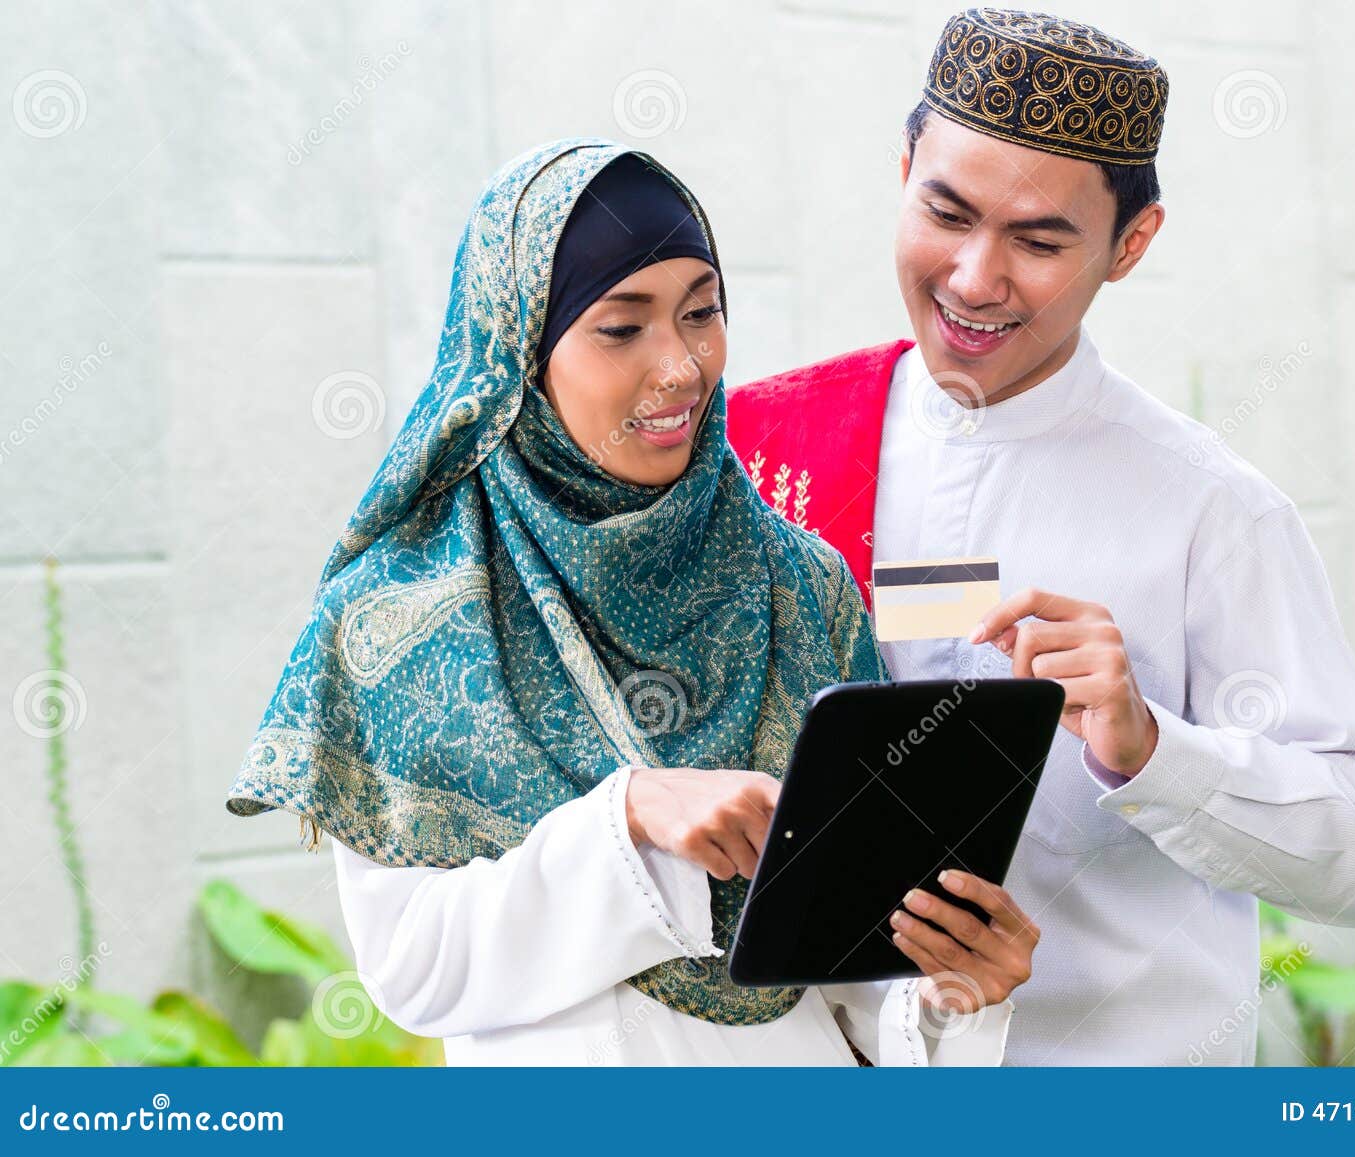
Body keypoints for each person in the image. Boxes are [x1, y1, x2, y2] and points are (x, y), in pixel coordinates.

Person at [225, 140, 1038, 1066]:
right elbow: (416, 967)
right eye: (621, 327)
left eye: (702, 313)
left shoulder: (799, 586)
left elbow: (857, 997)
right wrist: (630, 821)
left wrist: (952, 991)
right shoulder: (401, 613)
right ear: (520, 349)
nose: (683, 368)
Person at [726, 9, 1355, 1065]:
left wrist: (1154, 748)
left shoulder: (1206, 510)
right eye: (944, 211)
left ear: (1129, 246)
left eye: (1039, 241)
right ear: (903, 165)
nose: (972, 277)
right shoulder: (757, 452)